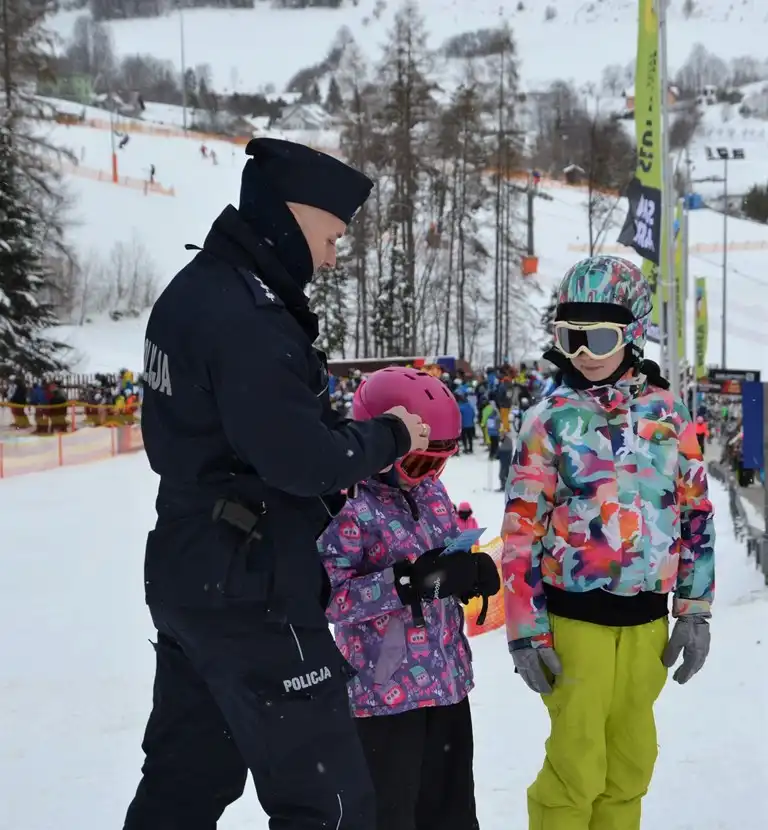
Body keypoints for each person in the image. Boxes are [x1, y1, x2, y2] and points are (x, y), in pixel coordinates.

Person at [125, 138, 434, 830]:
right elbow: (303, 462)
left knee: (187, 779)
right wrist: (389, 436)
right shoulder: (247, 316)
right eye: (331, 237)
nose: (329, 257)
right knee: (328, 805)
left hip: (191, 572)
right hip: (252, 588)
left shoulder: (196, 291)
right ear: (294, 215)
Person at [501, 255, 715, 830]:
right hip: (574, 627)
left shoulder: (669, 415)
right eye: (571, 338)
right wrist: (526, 633)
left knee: (630, 765)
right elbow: (521, 531)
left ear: (634, 333)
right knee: (576, 767)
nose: (586, 353)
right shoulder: (549, 420)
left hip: (647, 626)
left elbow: (695, 516)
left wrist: (693, 612)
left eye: (600, 336)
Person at [318, 366, 500, 830]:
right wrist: (406, 583)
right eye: (419, 462)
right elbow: (330, 597)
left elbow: (440, 558)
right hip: (384, 696)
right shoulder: (347, 503)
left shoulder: (431, 491)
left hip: (446, 684)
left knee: (452, 814)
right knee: (390, 817)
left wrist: (466, 571)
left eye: (440, 462)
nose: (430, 475)